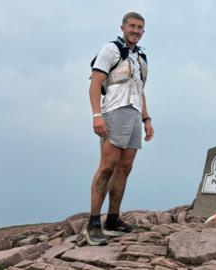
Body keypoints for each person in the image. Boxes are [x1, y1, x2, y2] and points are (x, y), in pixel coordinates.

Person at [86, 12, 154, 245]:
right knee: (107, 166)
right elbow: (95, 84)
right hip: (114, 112)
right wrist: (97, 116)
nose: (135, 30)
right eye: (132, 26)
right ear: (123, 27)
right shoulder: (110, 49)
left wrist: (146, 119)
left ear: (143, 31)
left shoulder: (141, 56)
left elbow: (139, 90)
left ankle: (113, 219)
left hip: (134, 113)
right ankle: (93, 223)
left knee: (125, 167)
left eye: (140, 27)